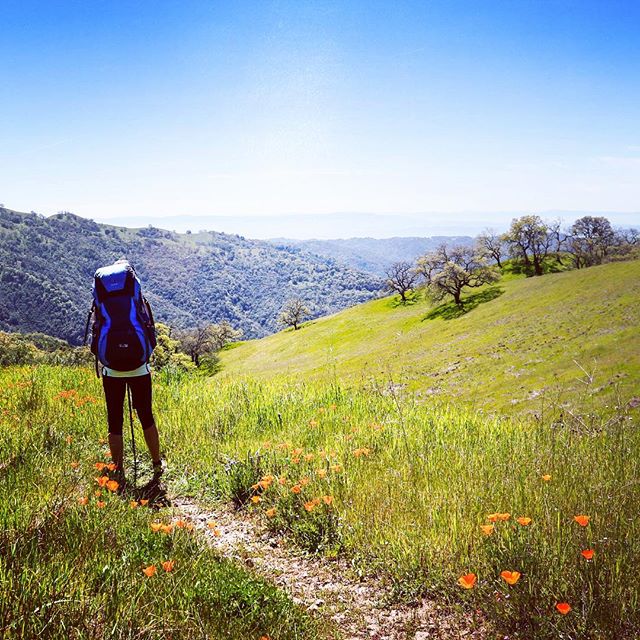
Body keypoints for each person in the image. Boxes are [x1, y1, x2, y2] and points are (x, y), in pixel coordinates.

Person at [89, 259, 165, 490]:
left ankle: (118, 470)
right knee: (146, 416)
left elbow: (96, 324)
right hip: (139, 365)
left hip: (111, 367)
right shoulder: (134, 287)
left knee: (114, 420)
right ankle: (156, 464)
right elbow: (147, 322)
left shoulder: (101, 289)